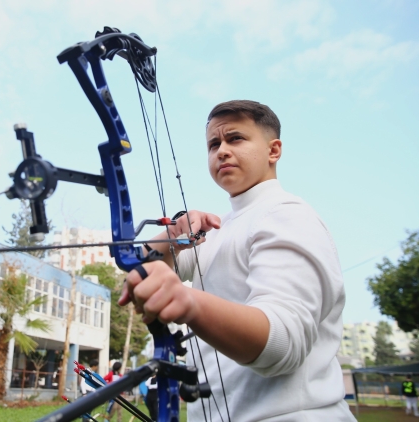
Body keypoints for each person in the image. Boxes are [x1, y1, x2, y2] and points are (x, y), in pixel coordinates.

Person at [121, 100, 356, 421]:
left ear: (274, 151)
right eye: (213, 144)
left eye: (236, 138)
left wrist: (190, 303)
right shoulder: (218, 229)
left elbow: (282, 343)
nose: (222, 151)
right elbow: (139, 265)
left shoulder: (287, 214)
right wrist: (172, 235)